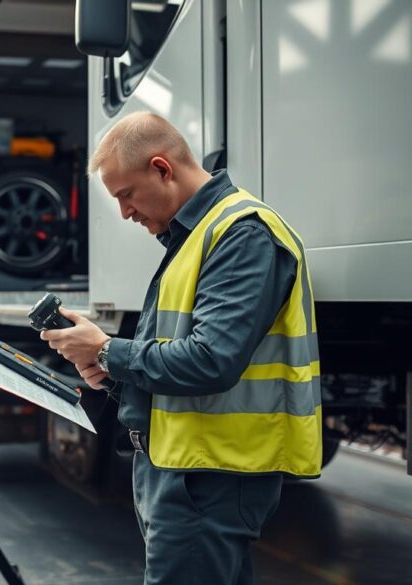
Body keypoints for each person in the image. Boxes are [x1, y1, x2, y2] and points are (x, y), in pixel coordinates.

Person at [40, 112, 321, 584]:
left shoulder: (242, 233)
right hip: (186, 467)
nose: (126, 213)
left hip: (210, 474)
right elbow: (179, 354)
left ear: (161, 169)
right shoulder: (197, 237)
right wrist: (110, 371)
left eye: (126, 195)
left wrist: (109, 350)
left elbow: (211, 361)